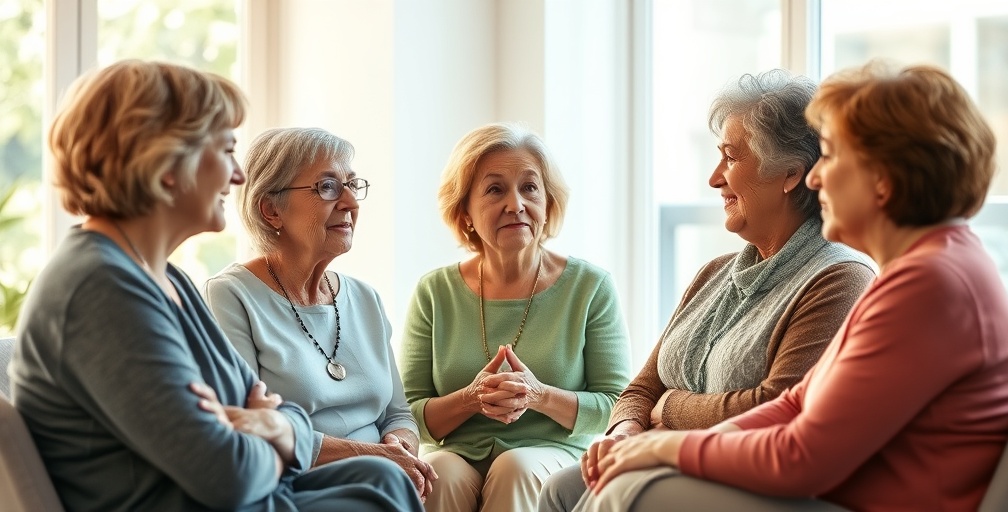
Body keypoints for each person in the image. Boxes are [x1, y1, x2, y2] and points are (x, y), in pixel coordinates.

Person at [578, 63, 1008, 512]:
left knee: (628, 492)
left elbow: (799, 457)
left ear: (882, 179)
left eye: (829, 156)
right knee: (602, 484)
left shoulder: (931, 282)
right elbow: (797, 402)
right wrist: (659, 443)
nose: (814, 177)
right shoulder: (925, 267)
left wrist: (664, 448)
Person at [10, 60, 422, 512]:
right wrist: (279, 432)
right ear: (167, 163)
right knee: (381, 486)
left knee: (382, 478)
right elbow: (226, 474)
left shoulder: (167, 278)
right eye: (226, 151)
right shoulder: (100, 290)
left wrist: (276, 425)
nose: (238, 175)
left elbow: (263, 410)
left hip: (251, 496)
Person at [538, 69, 877, 512]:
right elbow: (643, 387)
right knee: (561, 487)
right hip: (671, 458)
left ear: (791, 174)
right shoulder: (714, 273)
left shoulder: (838, 278)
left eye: (731, 158)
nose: (715, 179)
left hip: (750, 481)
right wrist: (624, 433)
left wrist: (671, 408)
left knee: (611, 495)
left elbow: (776, 408)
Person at [400, 122, 632, 512]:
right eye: (495, 190)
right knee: (438, 472)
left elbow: (616, 405)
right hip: (456, 452)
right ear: (465, 211)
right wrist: (471, 399)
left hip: (551, 454)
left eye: (529, 188)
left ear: (548, 203)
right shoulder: (434, 292)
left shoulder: (591, 287)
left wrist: (538, 395)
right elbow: (408, 414)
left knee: (514, 468)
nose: (516, 204)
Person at [203, 127, 437, 501]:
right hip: (296, 485)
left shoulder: (365, 298)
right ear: (271, 210)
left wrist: (401, 449)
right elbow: (247, 426)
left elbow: (398, 414)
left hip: (381, 481)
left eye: (352, 184)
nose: (350, 202)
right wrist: (376, 458)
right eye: (327, 187)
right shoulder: (230, 295)